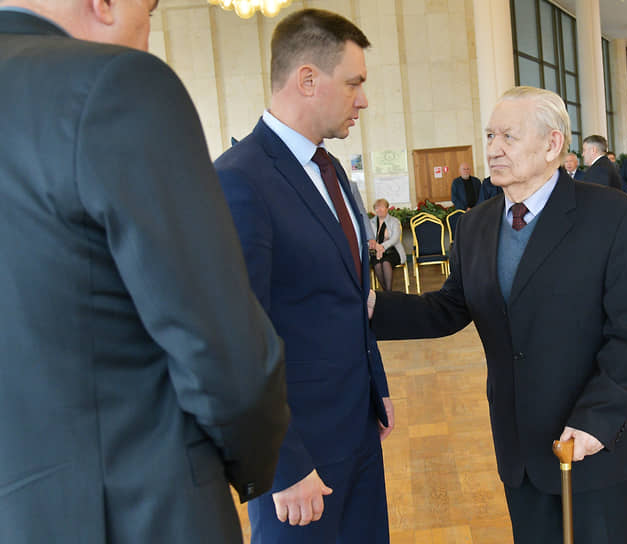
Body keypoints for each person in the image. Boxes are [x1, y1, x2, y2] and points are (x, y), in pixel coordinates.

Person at [0, 3, 291, 542]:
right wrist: (249, 465)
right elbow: (227, 355)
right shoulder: (115, 85)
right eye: (151, 10)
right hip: (138, 514)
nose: (149, 31)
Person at [371, 86, 627, 543]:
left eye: (508, 136)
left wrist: (596, 419)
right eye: (490, 136)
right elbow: (449, 307)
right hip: (520, 445)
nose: (493, 149)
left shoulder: (613, 216)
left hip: (596, 441)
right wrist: (369, 309)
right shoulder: (474, 224)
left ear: (552, 145)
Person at [214, 9, 393, 543]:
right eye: (354, 83)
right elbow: (235, 337)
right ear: (308, 79)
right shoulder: (239, 180)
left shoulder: (332, 170)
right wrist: (283, 464)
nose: (363, 99)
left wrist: (374, 388)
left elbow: (343, 296)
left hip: (357, 433)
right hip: (297, 461)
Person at [369, 199, 406, 291]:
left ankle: (388, 292)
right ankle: (387, 293)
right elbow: (367, 238)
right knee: (377, 265)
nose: (379, 210)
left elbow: (395, 238)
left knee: (385, 263)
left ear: (387, 209)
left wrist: (382, 247)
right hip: (375, 252)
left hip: (392, 251)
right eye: (377, 208)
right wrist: (377, 247)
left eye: (382, 207)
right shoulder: (370, 222)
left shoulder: (394, 221)